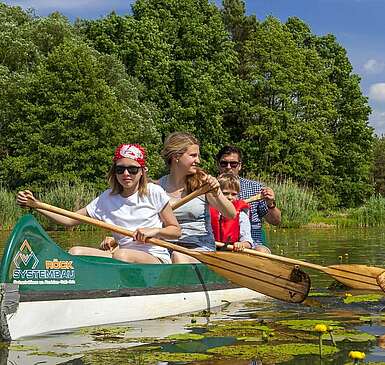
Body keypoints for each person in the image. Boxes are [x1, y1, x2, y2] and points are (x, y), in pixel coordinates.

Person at [16, 143, 181, 264]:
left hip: (154, 258)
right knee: (75, 252)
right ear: (114, 172)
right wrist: (37, 205)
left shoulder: (154, 192)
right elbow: (69, 220)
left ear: (142, 171)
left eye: (132, 169)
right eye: (120, 169)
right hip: (121, 255)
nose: (126, 174)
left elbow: (175, 231)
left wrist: (154, 231)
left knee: (121, 255)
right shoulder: (106, 198)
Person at [158, 132, 236, 263]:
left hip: (199, 248)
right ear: (176, 156)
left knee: (178, 256)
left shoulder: (203, 183)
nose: (198, 161)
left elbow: (231, 214)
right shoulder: (157, 187)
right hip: (165, 247)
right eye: (193, 155)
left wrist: (217, 192)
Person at [216, 146, 281, 253]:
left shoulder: (256, 188)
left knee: (261, 251)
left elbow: (276, 221)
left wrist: (270, 203)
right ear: (218, 165)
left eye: (233, 164)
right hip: (218, 244)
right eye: (224, 163)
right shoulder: (210, 188)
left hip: (252, 245)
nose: (228, 167)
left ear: (239, 166)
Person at [210, 173, 254, 252]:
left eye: (234, 194)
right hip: (210, 248)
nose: (230, 197)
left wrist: (242, 244)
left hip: (231, 251)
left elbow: (248, 242)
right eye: (225, 193)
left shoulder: (241, 215)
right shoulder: (208, 210)